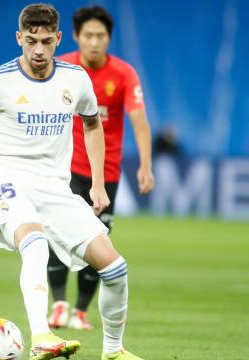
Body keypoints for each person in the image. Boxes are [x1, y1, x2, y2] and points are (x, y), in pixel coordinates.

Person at [0, 4, 144, 360]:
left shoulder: (75, 79)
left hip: (53, 187)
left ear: (59, 39)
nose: (38, 50)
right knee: (35, 243)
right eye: (31, 41)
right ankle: (41, 336)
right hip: (5, 177)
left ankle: (113, 351)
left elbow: (92, 125)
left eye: (47, 42)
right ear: (19, 38)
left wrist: (97, 183)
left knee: (115, 267)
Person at [47, 5, 155, 331]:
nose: (94, 42)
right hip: (63, 169)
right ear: (77, 37)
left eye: (101, 36)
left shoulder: (124, 74)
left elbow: (140, 123)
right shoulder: (61, 66)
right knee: (56, 236)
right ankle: (58, 307)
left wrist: (146, 165)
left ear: (109, 39)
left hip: (105, 173)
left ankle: (80, 312)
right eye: (88, 35)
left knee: (98, 240)